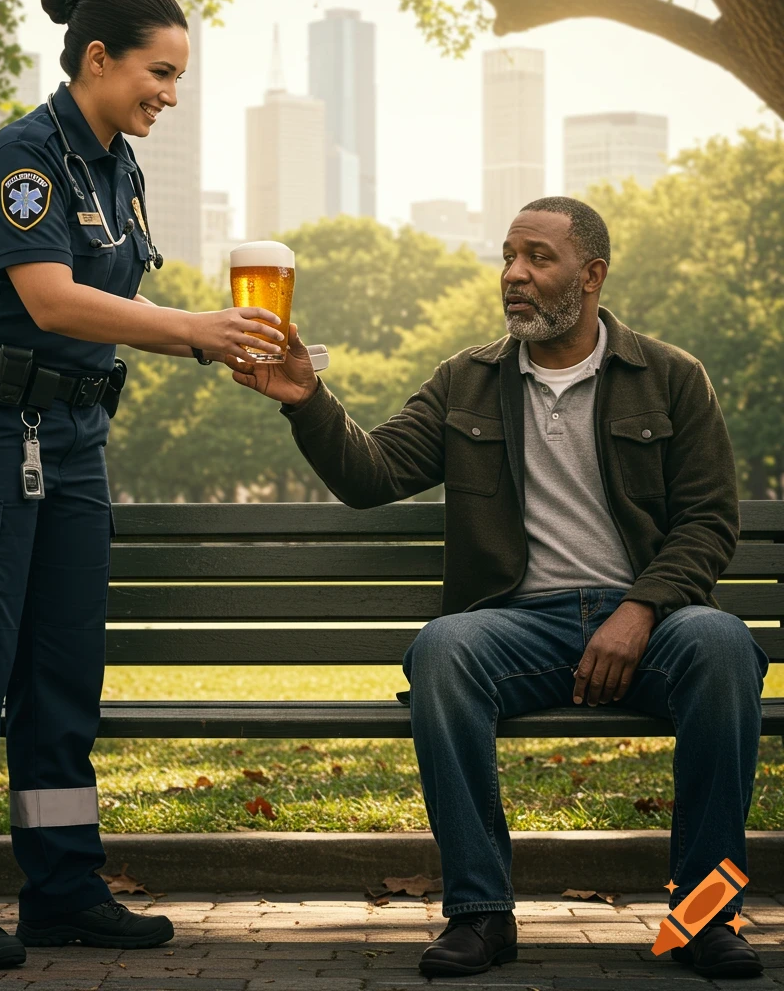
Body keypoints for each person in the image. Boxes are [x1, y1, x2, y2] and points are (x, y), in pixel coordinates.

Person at [226, 196, 769, 982]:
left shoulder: (673, 377)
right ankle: (480, 914)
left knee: (722, 646)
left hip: (653, 622)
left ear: (591, 275)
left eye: (537, 259)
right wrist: (308, 401)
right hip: (519, 627)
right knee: (443, 648)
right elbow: (373, 475)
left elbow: (708, 524)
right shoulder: (466, 380)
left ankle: (703, 917)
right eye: (509, 256)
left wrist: (639, 609)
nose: (514, 275)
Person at [0, 0, 285, 971]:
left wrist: (227, 341)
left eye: (178, 77)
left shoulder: (119, 168)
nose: (169, 92)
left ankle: (63, 888)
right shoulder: (23, 158)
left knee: (62, 674)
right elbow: (54, 302)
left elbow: (113, 315)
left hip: (71, 442)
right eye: (159, 72)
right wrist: (196, 331)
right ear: (98, 58)